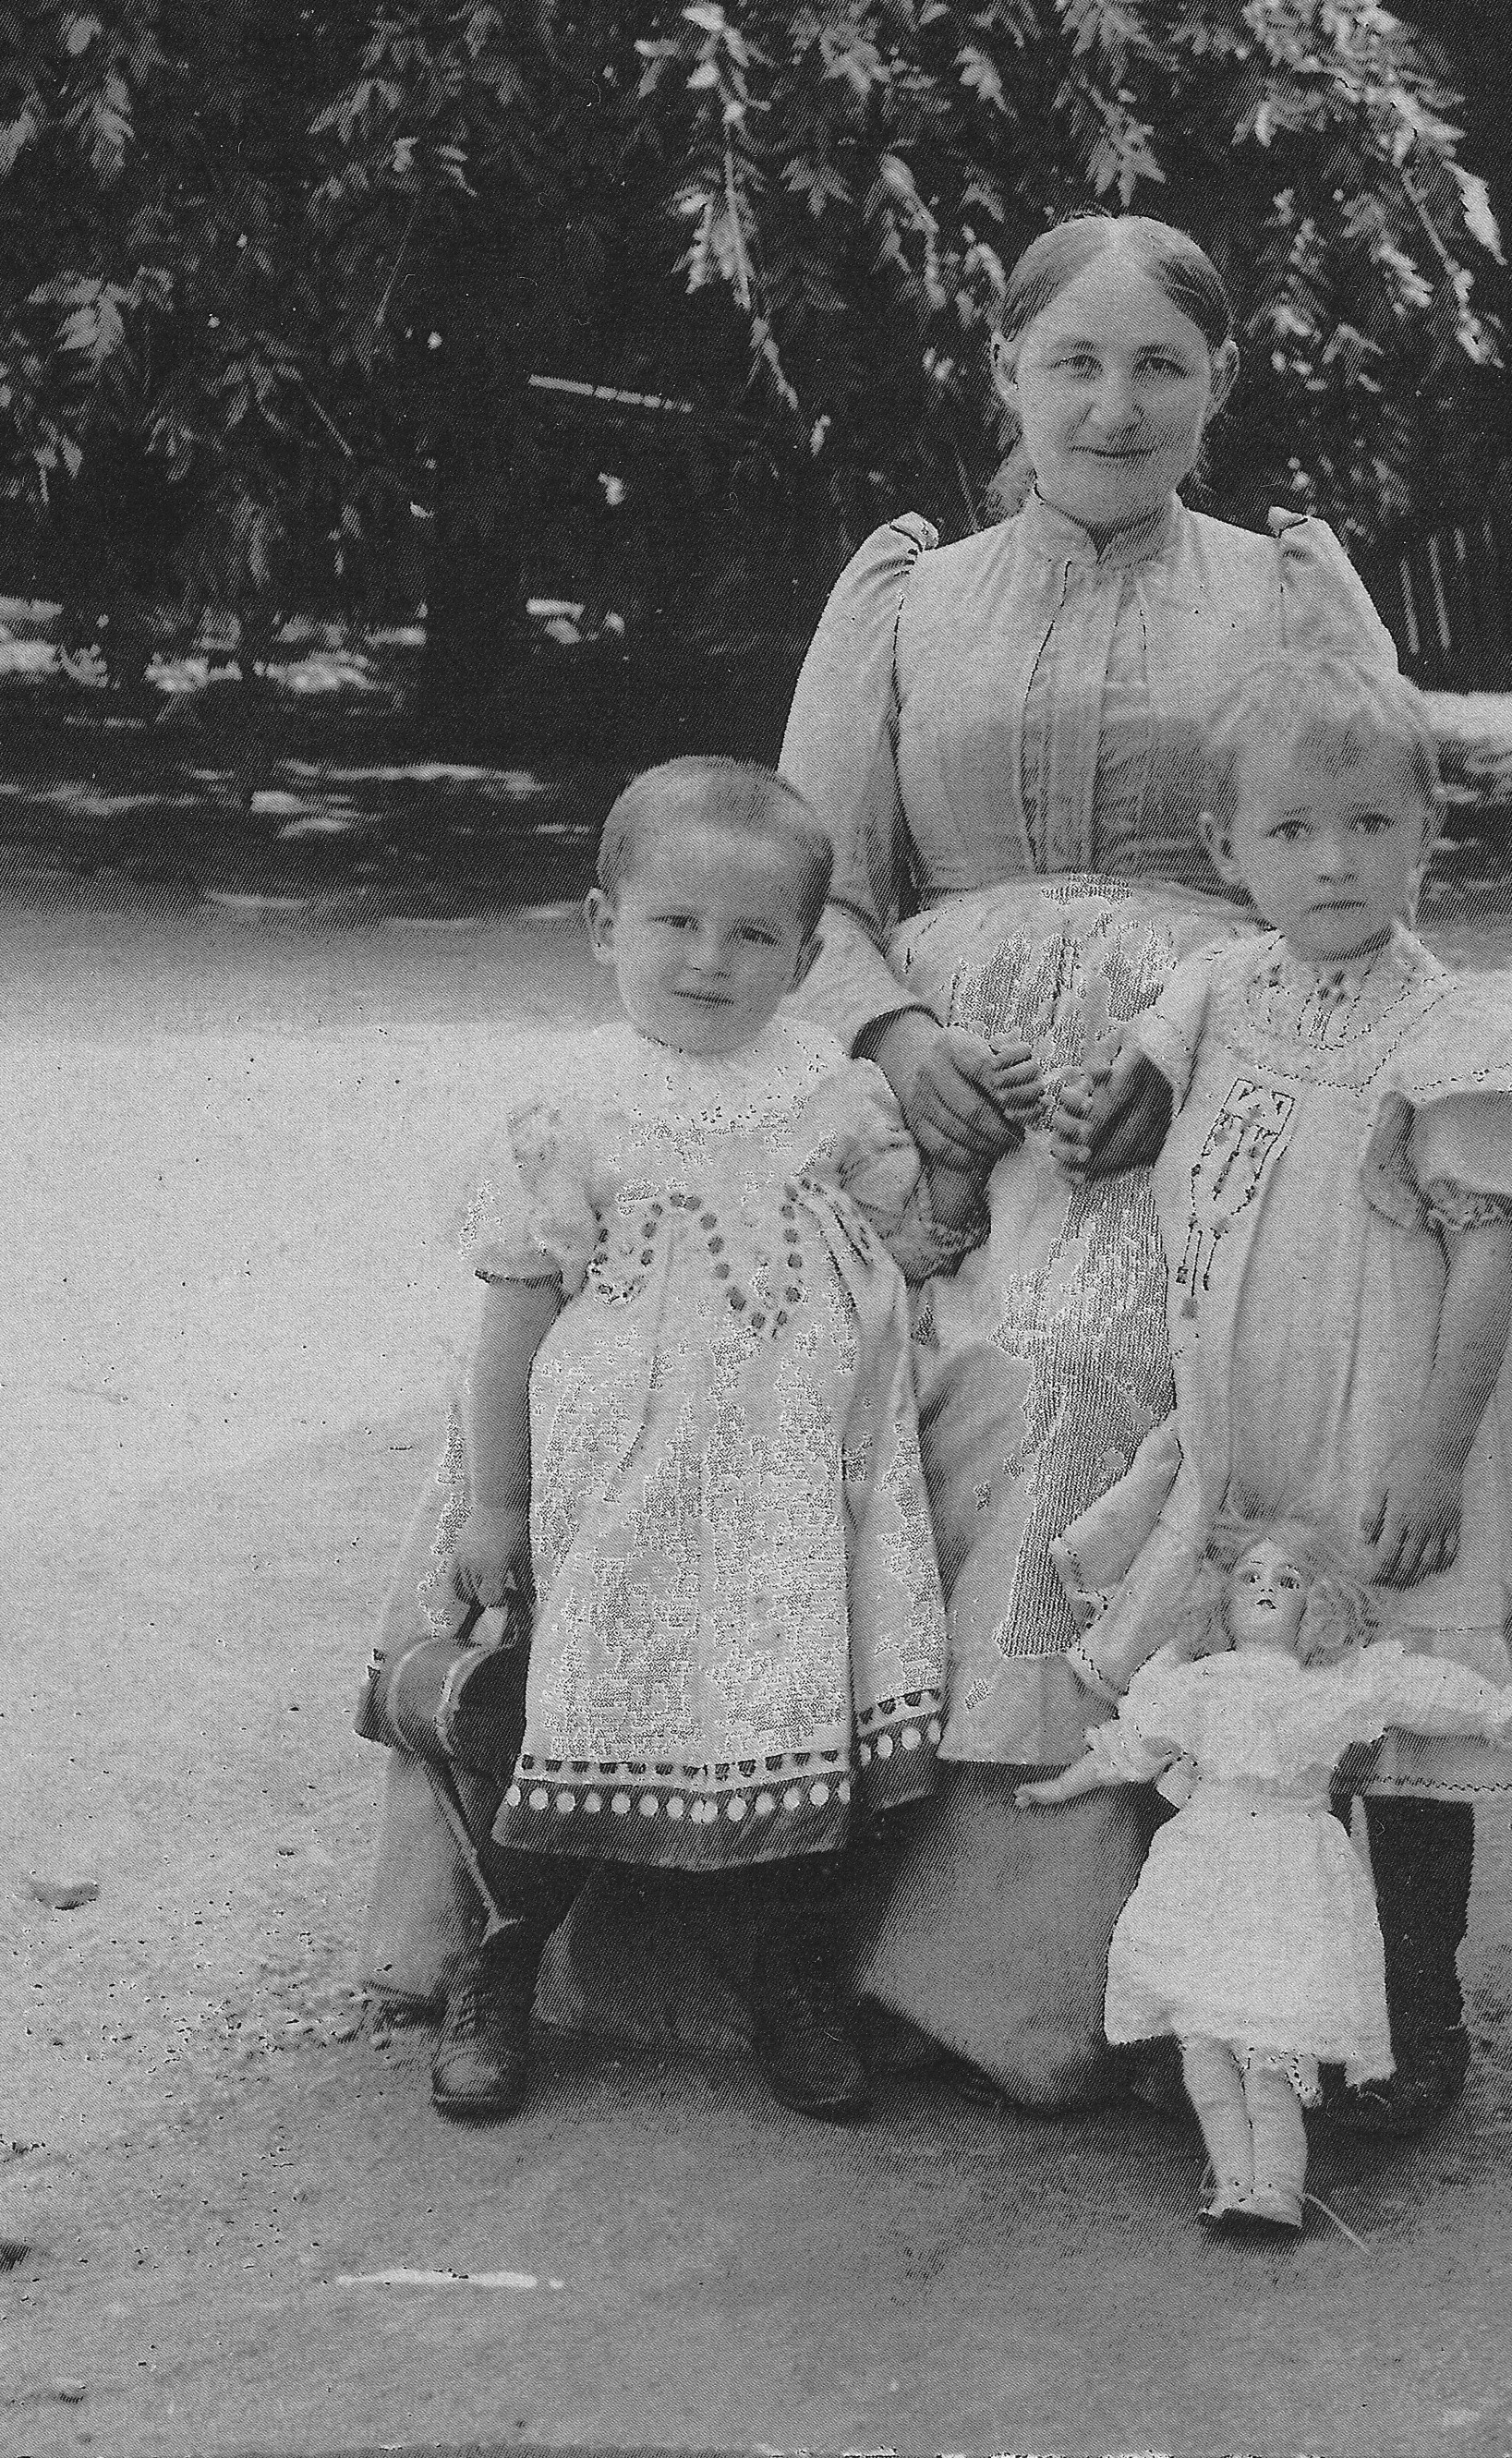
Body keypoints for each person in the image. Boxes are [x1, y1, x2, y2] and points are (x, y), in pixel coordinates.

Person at [777, 210, 1401, 2109]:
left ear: (1220, 383)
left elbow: (1357, 879)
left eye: (1158, 366)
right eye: (1074, 361)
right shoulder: (910, 594)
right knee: (752, 1342)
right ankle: (756, 1902)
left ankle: (1020, 1971)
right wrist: (896, 1036)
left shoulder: (1285, 592)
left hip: (1207, 1092)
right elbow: (810, 887)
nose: (1114, 405)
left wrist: (1192, 1032)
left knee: (1069, 1364)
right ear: (1007, 373)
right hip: (919, 1083)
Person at [358, 758, 1033, 2125]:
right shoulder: (571, 1110)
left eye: (753, 934)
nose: (710, 960)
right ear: (604, 924)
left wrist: (965, 1161)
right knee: (564, 1708)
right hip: (617, 1491)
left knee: (791, 1713)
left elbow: (905, 1246)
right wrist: (500, 1503)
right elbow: (513, 1315)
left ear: (806, 958)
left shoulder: (833, 1094)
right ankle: (504, 1957)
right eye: (675, 923)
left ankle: (787, 1976)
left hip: (793, 1496)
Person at [1046, 650, 1512, 2133]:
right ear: (1225, 849)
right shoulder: (1213, 991)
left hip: (1386, 1438)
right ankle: (1235, 2003)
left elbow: (1485, 1265)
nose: (1334, 862)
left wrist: (1434, 1457)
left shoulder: (1451, 1036)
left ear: (1425, 832)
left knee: (1400, 1746)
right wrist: (1085, 1111)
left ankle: (1416, 2015)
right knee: (1246, 1725)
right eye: (1294, 830)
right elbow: (1132, 1122)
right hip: (1248, 1441)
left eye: (1372, 824)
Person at [1018, 1532, 1512, 2231]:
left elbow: (1413, 1688)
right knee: (1203, 2046)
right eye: (1250, 1575)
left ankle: (1278, 2188)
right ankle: (1232, 2183)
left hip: (1291, 1866)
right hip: (1206, 1864)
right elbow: (1131, 1749)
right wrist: (1058, 1787)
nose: (1264, 1587)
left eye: (1287, 1580)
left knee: (1270, 2049)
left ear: (1318, 1606)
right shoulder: (1196, 1682)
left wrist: (1495, 1710)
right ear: (1220, 1601)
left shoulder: (1333, 1682)